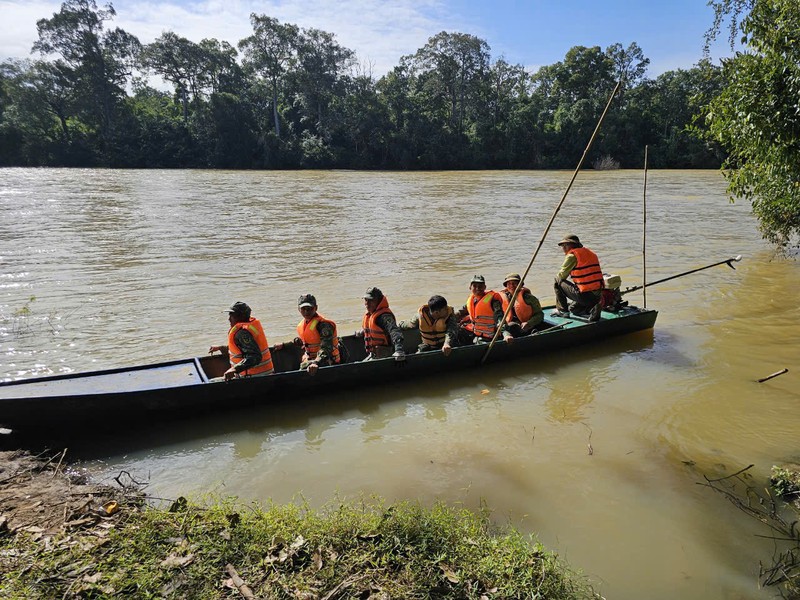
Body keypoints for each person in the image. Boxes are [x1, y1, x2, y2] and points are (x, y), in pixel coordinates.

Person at [274, 294, 341, 376]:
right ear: (299, 309)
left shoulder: (324, 325)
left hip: (327, 360)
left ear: (316, 308)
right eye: (303, 309)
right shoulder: (304, 324)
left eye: (309, 308)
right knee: (304, 365)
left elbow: (326, 348)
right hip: (312, 359)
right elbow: (305, 342)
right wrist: (284, 345)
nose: (306, 312)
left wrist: (316, 362)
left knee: (304, 368)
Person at [208, 301, 274, 381]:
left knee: (211, 381)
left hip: (254, 377)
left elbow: (254, 356)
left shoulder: (242, 333)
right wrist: (221, 348)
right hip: (264, 374)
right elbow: (242, 349)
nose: (229, 319)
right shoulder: (249, 327)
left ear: (240, 317)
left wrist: (235, 369)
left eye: (232, 316)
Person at [553, 234, 603, 321]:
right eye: (563, 246)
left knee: (557, 281)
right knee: (573, 309)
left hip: (585, 296)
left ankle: (562, 311)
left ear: (573, 245)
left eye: (566, 245)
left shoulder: (572, 256)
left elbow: (561, 276)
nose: (563, 248)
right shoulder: (591, 253)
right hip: (597, 296)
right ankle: (591, 309)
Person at [457, 275, 513, 345]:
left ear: (485, 287)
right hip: (476, 332)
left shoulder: (492, 300)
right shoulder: (472, 299)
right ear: (470, 287)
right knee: (458, 330)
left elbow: (499, 317)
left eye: (480, 286)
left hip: (490, 337)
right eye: (474, 286)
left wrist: (506, 334)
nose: (477, 288)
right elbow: (462, 311)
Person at [358, 287, 406, 362]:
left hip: (386, 356)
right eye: (366, 300)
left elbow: (395, 332)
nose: (367, 303)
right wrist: (363, 331)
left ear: (379, 302)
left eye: (371, 300)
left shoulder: (384, 316)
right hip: (373, 355)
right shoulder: (371, 314)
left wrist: (399, 350)